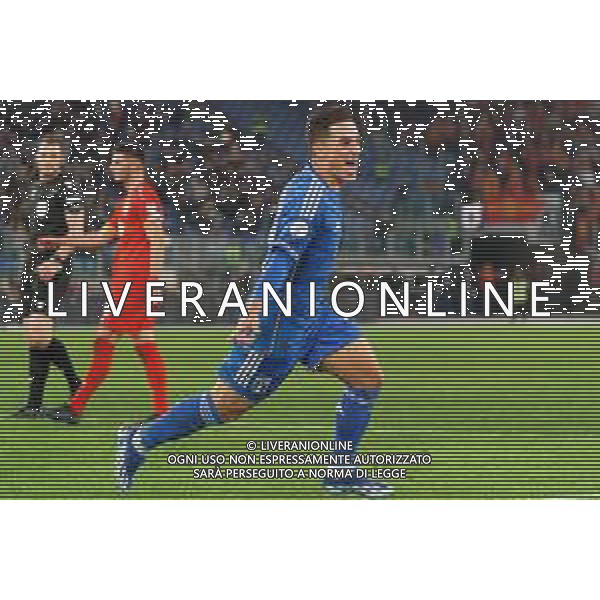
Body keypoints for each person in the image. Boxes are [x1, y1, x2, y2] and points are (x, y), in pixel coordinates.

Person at [115, 103, 388, 497]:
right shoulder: (309, 195)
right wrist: (255, 311)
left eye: (357, 144)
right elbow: (280, 259)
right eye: (344, 143)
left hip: (315, 312)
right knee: (227, 405)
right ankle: (139, 440)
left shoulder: (326, 190)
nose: (354, 152)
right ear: (318, 148)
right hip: (281, 322)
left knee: (367, 377)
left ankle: (340, 471)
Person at [40, 145, 170, 423]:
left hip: (136, 281)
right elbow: (101, 238)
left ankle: (75, 408)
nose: (112, 166)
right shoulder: (127, 200)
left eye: (117, 161)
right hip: (126, 279)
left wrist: (153, 282)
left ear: (135, 163)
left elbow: (159, 239)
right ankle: (161, 410)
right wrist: (61, 241)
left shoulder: (144, 195)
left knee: (109, 339)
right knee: (137, 340)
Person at [11, 130, 83, 418]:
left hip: (55, 265)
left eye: (54, 155)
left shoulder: (69, 188)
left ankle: (75, 385)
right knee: (34, 337)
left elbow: (77, 232)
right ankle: (35, 404)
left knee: (39, 335)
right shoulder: (32, 186)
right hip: (32, 263)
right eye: (44, 154)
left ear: (62, 158)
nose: (48, 160)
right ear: (37, 156)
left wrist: (56, 260)